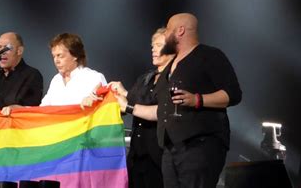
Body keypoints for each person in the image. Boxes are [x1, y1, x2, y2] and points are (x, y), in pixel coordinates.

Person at [114, 13, 242, 188]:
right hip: (170, 149)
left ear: (180, 30)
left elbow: (233, 94)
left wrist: (197, 99)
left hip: (200, 145)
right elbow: (160, 110)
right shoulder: (169, 69)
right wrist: (126, 101)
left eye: (167, 29)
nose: (165, 33)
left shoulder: (209, 56)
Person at [107, 28, 174, 188]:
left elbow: (162, 110)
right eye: (152, 46)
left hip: (159, 155)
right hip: (137, 155)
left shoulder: (176, 78)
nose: (153, 49)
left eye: (158, 45)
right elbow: (131, 101)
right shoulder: (145, 78)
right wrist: (115, 94)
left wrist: (127, 105)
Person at [40, 33, 106, 106]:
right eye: (54, 56)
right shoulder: (56, 80)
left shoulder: (94, 78)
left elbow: (106, 109)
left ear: (75, 55)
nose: (56, 61)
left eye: (60, 56)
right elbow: (43, 108)